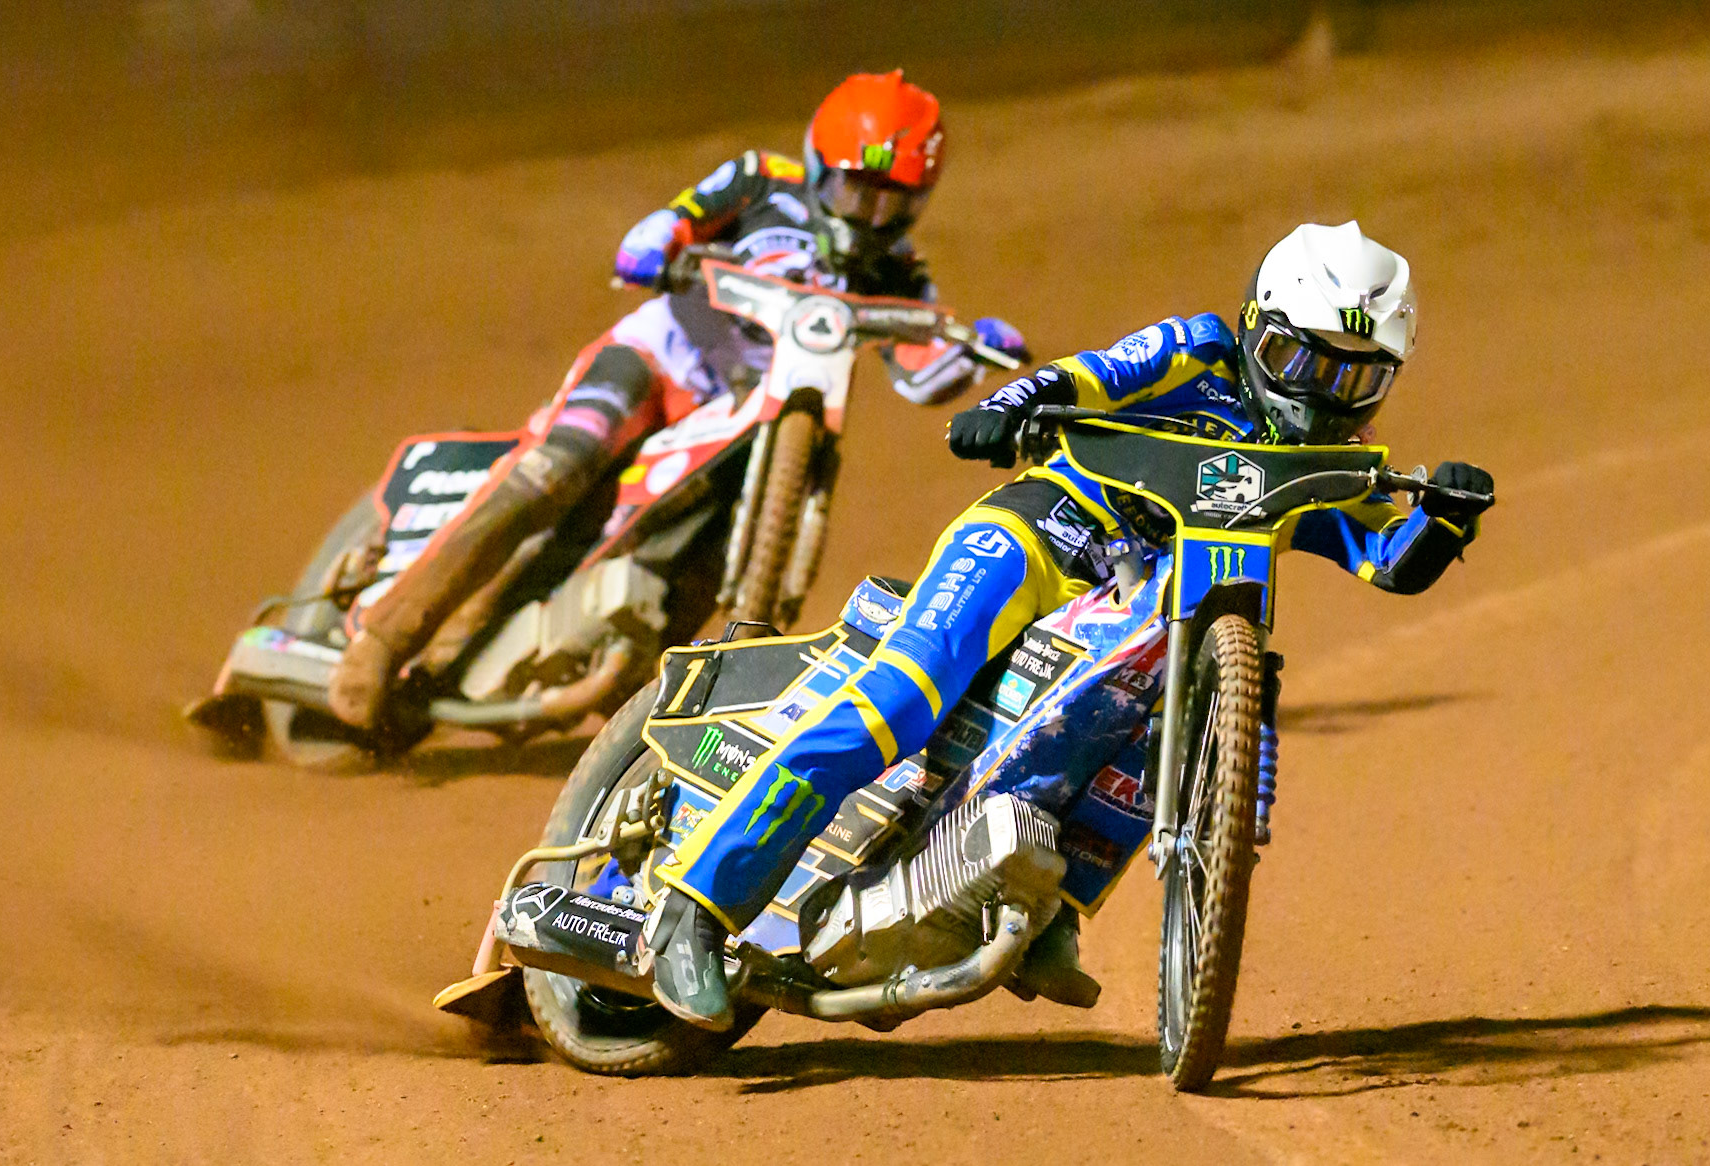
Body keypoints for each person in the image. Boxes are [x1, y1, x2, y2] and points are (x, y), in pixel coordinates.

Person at [640, 221, 1497, 1030]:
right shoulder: (1197, 346)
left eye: (1350, 376)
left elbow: (1391, 558)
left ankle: (1042, 905)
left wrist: (1450, 516)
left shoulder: (1333, 466)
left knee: (1159, 714)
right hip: (1041, 535)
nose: (1317, 394)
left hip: (1146, 603)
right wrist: (1010, 407)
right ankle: (693, 912)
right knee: (901, 698)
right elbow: (1088, 376)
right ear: (1253, 325)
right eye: (1296, 359)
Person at [327, 70, 1028, 730]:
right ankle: (383, 638)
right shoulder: (762, 181)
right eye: (857, 191)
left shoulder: (901, 269)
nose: (871, 215)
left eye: (893, 200)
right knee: (559, 466)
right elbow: (677, 220)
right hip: (658, 362)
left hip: (752, 420)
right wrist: (655, 242)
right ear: (819, 164)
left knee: (699, 567)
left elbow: (920, 371)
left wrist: (968, 352)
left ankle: (649, 703)